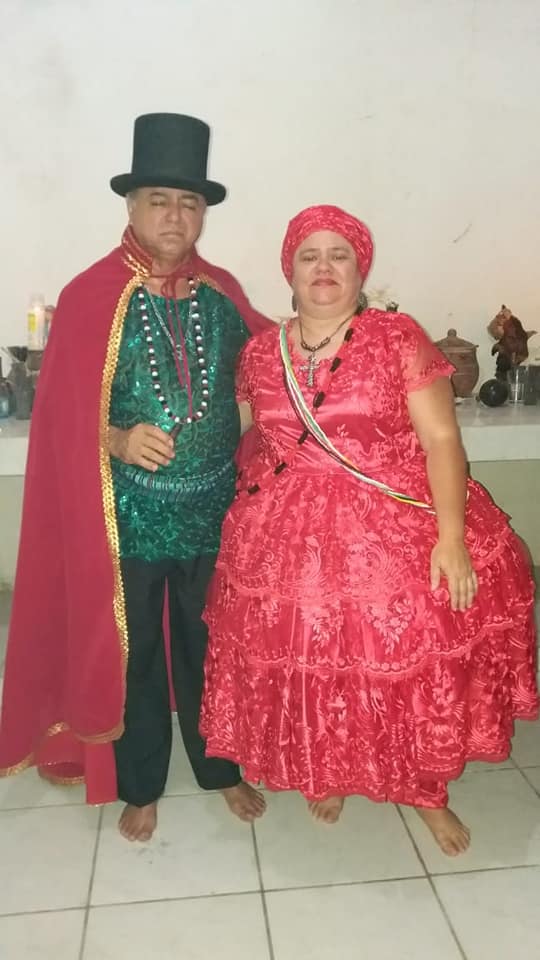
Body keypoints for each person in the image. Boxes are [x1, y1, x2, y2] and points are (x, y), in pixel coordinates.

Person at [200, 204, 539, 856]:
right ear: (289, 271)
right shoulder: (260, 352)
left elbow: (442, 441)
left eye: (340, 256)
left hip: (391, 522)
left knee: (399, 664)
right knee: (319, 663)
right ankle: (332, 768)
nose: (323, 268)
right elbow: (243, 434)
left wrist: (451, 538)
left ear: (361, 270)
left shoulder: (396, 338)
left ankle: (424, 790)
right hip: (290, 536)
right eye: (309, 256)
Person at [0, 113, 270, 841]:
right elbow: (60, 414)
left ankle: (220, 769)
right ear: (131, 206)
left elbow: (268, 374)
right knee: (138, 653)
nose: (175, 217)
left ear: (203, 213)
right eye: (159, 201)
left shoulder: (221, 292)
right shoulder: (91, 295)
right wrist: (116, 438)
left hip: (214, 514)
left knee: (211, 645)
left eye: (189, 203)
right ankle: (141, 783)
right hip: (130, 521)